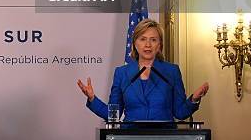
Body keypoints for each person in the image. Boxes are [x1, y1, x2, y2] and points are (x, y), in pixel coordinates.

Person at [77, 19, 209, 123]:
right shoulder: (122, 73)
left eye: (153, 40)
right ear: (135, 43)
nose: (148, 45)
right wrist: (92, 98)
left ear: (159, 45)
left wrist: (194, 99)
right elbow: (113, 115)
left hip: (164, 137)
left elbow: (180, 113)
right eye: (143, 39)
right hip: (130, 136)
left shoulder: (171, 71)